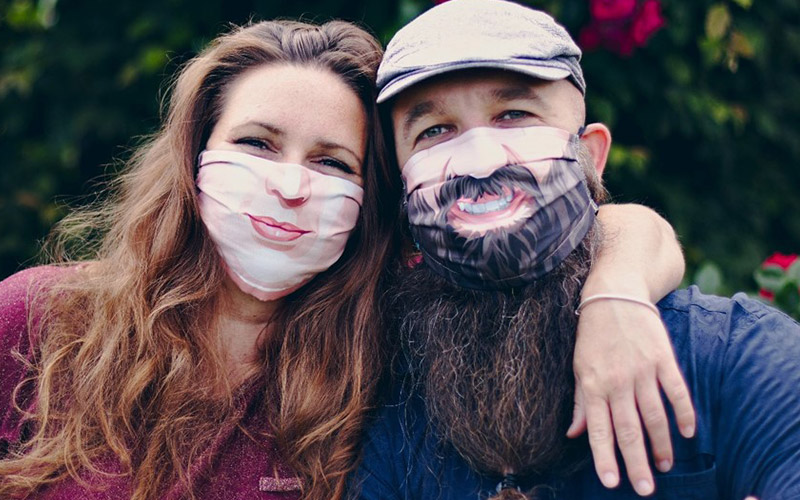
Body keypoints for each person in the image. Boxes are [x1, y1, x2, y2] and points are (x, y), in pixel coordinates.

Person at [1, 11, 682, 500]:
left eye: (331, 161)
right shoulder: (43, 320)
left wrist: (615, 289)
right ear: (194, 158)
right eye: (258, 144)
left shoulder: (389, 348)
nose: (291, 185)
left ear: (373, 198)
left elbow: (621, 223)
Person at [351, 0, 800, 499]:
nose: (479, 162)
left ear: (593, 154)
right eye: (435, 131)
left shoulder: (737, 359)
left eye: (514, 114)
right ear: (403, 189)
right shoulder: (385, 405)